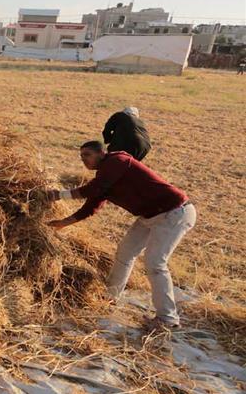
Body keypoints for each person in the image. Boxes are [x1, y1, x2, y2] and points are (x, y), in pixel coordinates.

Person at [45, 141, 196, 331]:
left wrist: (57, 195)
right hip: (149, 215)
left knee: (155, 263)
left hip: (174, 212)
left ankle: (167, 319)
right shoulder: (105, 178)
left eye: (87, 154)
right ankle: (110, 298)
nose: (83, 159)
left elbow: (93, 189)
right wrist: (63, 223)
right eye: (81, 156)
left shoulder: (117, 161)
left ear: (101, 153)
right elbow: (92, 206)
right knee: (125, 252)